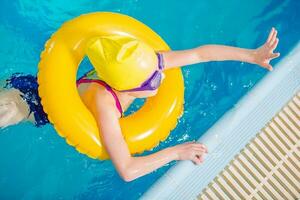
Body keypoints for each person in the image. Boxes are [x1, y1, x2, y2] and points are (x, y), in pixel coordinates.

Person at [0, 28, 280, 182]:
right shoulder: (105, 106)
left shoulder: (144, 66)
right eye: (153, 82)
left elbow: (199, 53)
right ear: (127, 88)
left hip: (43, 83)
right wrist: (175, 153)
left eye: (158, 71)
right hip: (32, 105)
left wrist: (252, 55)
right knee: (7, 111)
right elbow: (128, 170)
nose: (161, 79)